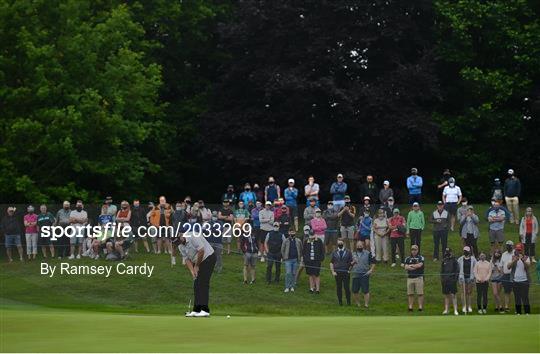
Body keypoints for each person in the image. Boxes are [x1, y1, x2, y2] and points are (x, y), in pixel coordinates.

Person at [179, 232, 217, 317]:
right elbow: (187, 259)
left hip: (208, 258)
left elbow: (201, 250)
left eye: (179, 240)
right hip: (198, 261)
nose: (179, 243)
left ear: (181, 235)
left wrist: (196, 266)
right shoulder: (180, 245)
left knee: (203, 283)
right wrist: (192, 272)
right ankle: (196, 310)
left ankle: (205, 310)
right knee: (196, 284)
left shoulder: (192, 236)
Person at [507, 243, 531, 315]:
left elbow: (528, 267)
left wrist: (523, 260)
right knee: (517, 297)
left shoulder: (526, 257)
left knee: (525, 297)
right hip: (515, 281)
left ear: (522, 250)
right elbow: (508, 267)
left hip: (525, 281)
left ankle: (527, 312)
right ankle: (518, 312)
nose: (519, 251)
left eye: (520, 250)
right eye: (517, 250)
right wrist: (514, 260)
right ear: (516, 250)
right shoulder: (513, 257)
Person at [351, 240, 375, 308]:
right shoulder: (353, 254)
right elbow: (350, 264)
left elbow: (373, 262)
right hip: (355, 274)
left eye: (360, 246)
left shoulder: (368, 253)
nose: (359, 247)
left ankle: (366, 304)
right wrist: (352, 263)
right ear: (356, 246)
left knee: (365, 290)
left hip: (365, 274)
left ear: (363, 246)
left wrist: (371, 270)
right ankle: (358, 304)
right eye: (358, 246)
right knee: (355, 291)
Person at [330, 239, 352, 305]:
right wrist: (333, 271)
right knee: (339, 287)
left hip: (346, 272)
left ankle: (348, 302)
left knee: (346, 287)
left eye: (341, 243)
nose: (340, 244)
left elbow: (351, 262)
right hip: (337, 272)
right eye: (339, 243)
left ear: (344, 243)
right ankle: (340, 302)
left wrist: (349, 270)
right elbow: (331, 262)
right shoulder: (334, 252)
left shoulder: (348, 252)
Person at [303, 229, 325, 294]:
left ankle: (317, 289)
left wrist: (321, 259)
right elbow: (303, 251)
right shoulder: (306, 241)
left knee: (316, 274)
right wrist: (305, 259)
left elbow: (322, 251)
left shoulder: (319, 241)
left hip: (316, 261)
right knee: (310, 274)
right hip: (309, 261)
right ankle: (311, 288)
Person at [404, 245, 425, 311]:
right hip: (410, 278)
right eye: (412, 249)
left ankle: (420, 307)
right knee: (410, 293)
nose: (414, 251)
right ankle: (410, 307)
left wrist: (411, 266)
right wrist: (413, 267)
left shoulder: (420, 257)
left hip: (418, 277)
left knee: (420, 293)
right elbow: (406, 267)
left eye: (415, 250)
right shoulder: (407, 258)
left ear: (417, 250)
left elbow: (420, 265)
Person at [457, 246, 476, 313]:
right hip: (462, 278)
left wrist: (473, 277)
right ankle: (464, 306)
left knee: (469, 292)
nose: (465, 252)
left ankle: (469, 306)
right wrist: (460, 276)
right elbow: (458, 268)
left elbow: (475, 268)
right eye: (464, 250)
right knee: (463, 292)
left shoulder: (473, 259)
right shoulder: (460, 259)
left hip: (470, 278)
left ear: (469, 251)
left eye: (466, 251)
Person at [440, 247, 459, 315]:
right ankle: (446, 309)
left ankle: (455, 310)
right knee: (446, 295)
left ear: (451, 252)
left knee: (453, 295)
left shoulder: (454, 260)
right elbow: (441, 271)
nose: (447, 253)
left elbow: (457, 270)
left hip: (452, 280)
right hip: (445, 280)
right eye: (446, 251)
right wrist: (442, 279)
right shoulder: (444, 260)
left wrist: (455, 279)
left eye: (448, 252)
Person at [500, 240, 514, 312]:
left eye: (509, 245)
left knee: (514, 291)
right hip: (505, 275)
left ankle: (515, 307)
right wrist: (502, 275)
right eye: (507, 245)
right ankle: (506, 306)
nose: (508, 247)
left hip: (513, 275)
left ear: (512, 246)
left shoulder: (515, 253)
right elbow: (501, 266)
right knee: (506, 291)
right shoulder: (504, 254)